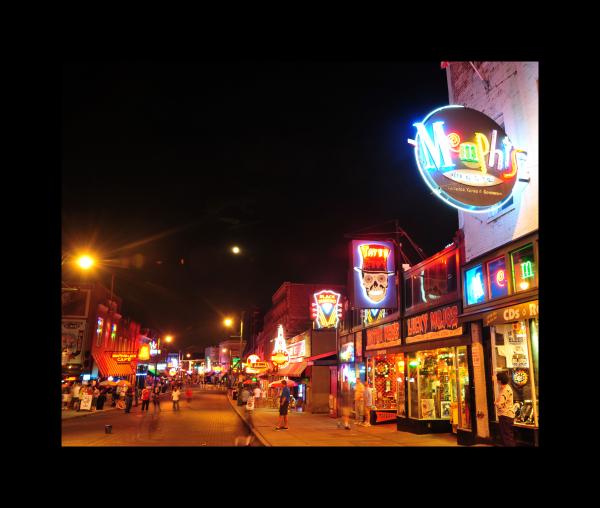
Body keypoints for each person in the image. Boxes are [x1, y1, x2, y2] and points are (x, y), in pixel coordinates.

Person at [494, 372, 516, 446]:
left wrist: (496, 403)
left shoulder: (505, 390)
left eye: (497, 379)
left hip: (505, 415)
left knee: (507, 437)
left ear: (500, 380)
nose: (496, 381)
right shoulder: (504, 388)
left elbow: (500, 404)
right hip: (506, 415)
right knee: (507, 436)